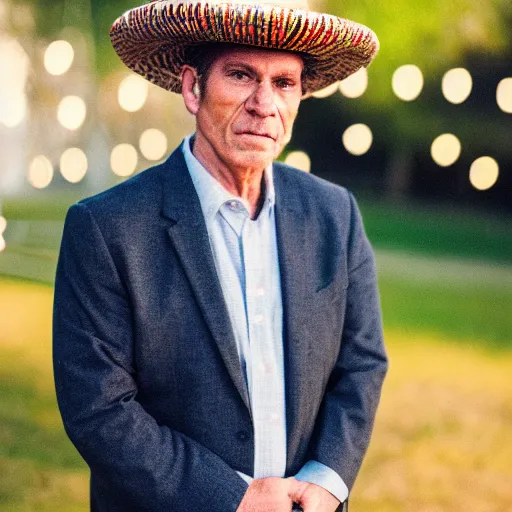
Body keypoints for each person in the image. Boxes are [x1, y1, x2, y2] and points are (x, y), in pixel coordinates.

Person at [53, 0, 388, 510]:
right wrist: (234, 497)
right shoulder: (106, 227)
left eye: (284, 83)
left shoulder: (334, 214)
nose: (264, 104)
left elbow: (361, 363)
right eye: (240, 75)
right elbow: (98, 409)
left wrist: (327, 480)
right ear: (192, 87)